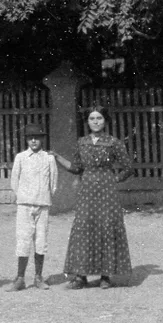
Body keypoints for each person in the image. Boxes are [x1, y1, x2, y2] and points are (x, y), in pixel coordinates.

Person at [55, 105, 133, 289]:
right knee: (83, 228)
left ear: (105, 120)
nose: (96, 122)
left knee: (106, 227)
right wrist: (58, 157)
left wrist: (114, 179)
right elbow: (76, 168)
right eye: (92, 119)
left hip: (107, 192)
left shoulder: (114, 142)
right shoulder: (81, 142)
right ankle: (80, 277)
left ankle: (105, 276)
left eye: (99, 118)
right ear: (87, 121)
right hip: (87, 191)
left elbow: (128, 168)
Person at [6, 122, 58, 291]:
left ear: (42, 139)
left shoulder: (49, 158)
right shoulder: (20, 157)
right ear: (26, 140)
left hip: (42, 204)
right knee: (23, 240)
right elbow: (14, 181)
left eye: (37, 138)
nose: (34, 141)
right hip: (25, 205)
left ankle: (38, 277)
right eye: (30, 138)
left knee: (41, 240)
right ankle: (20, 278)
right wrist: (24, 196)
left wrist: (44, 196)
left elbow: (53, 182)